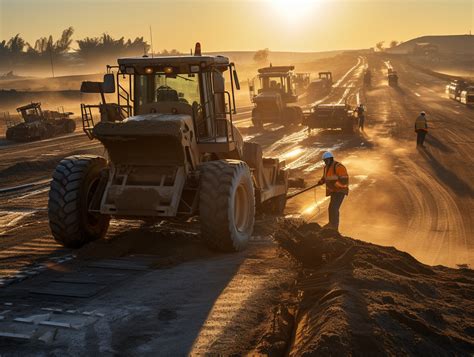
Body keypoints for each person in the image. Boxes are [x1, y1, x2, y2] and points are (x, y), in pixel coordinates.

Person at [316, 151, 349, 231]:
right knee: (331, 208)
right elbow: (325, 177)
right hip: (334, 191)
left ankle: (334, 227)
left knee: (334, 208)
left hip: (340, 191)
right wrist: (321, 181)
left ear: (330, 159)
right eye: (324, 161)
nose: (325, 162)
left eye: (326, 160)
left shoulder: (338, 166)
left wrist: (335, 184)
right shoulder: (326, 167)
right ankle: (331, 224)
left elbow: (344, 180)